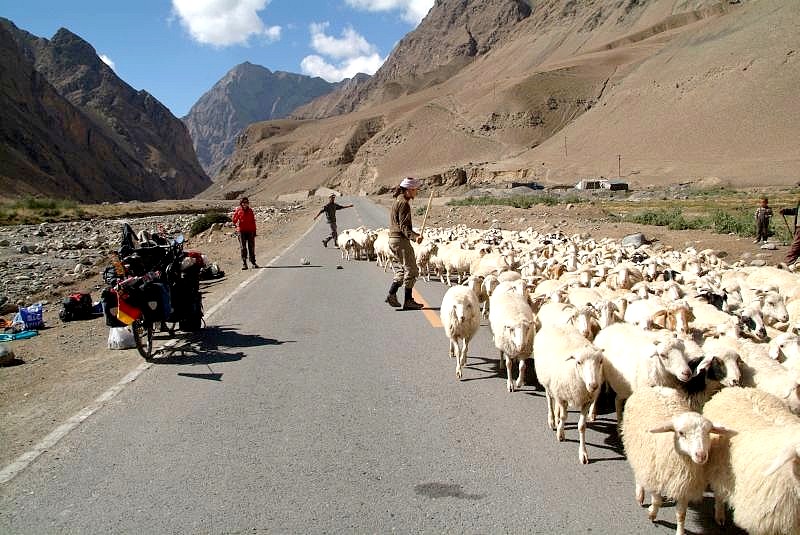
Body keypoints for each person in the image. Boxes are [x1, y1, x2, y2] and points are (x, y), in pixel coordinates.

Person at [385, 177, 425, 310]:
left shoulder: (398, 200)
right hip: (400, 240)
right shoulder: (404, 203)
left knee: (402, 269)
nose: (416, 192)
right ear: (408, 190)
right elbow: (403, 226)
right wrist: (414, 237)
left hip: (393, 239)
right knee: (412, 270)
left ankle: (392, 294)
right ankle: (408, 301)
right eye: (414, 190)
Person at [232, 196, 258, 270]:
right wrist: (236, 225)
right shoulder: (238, 210)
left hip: (250, 231)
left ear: (248, 203)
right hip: (241, 231)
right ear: (241, 203)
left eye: (246, 202)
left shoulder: (250, 211)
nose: (245, 204)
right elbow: (234, 220)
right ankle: (244, 263)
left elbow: (253, 221)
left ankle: (253, 262)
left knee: (251, 247)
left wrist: (254, 231)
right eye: (243, 203)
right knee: (243, 248)